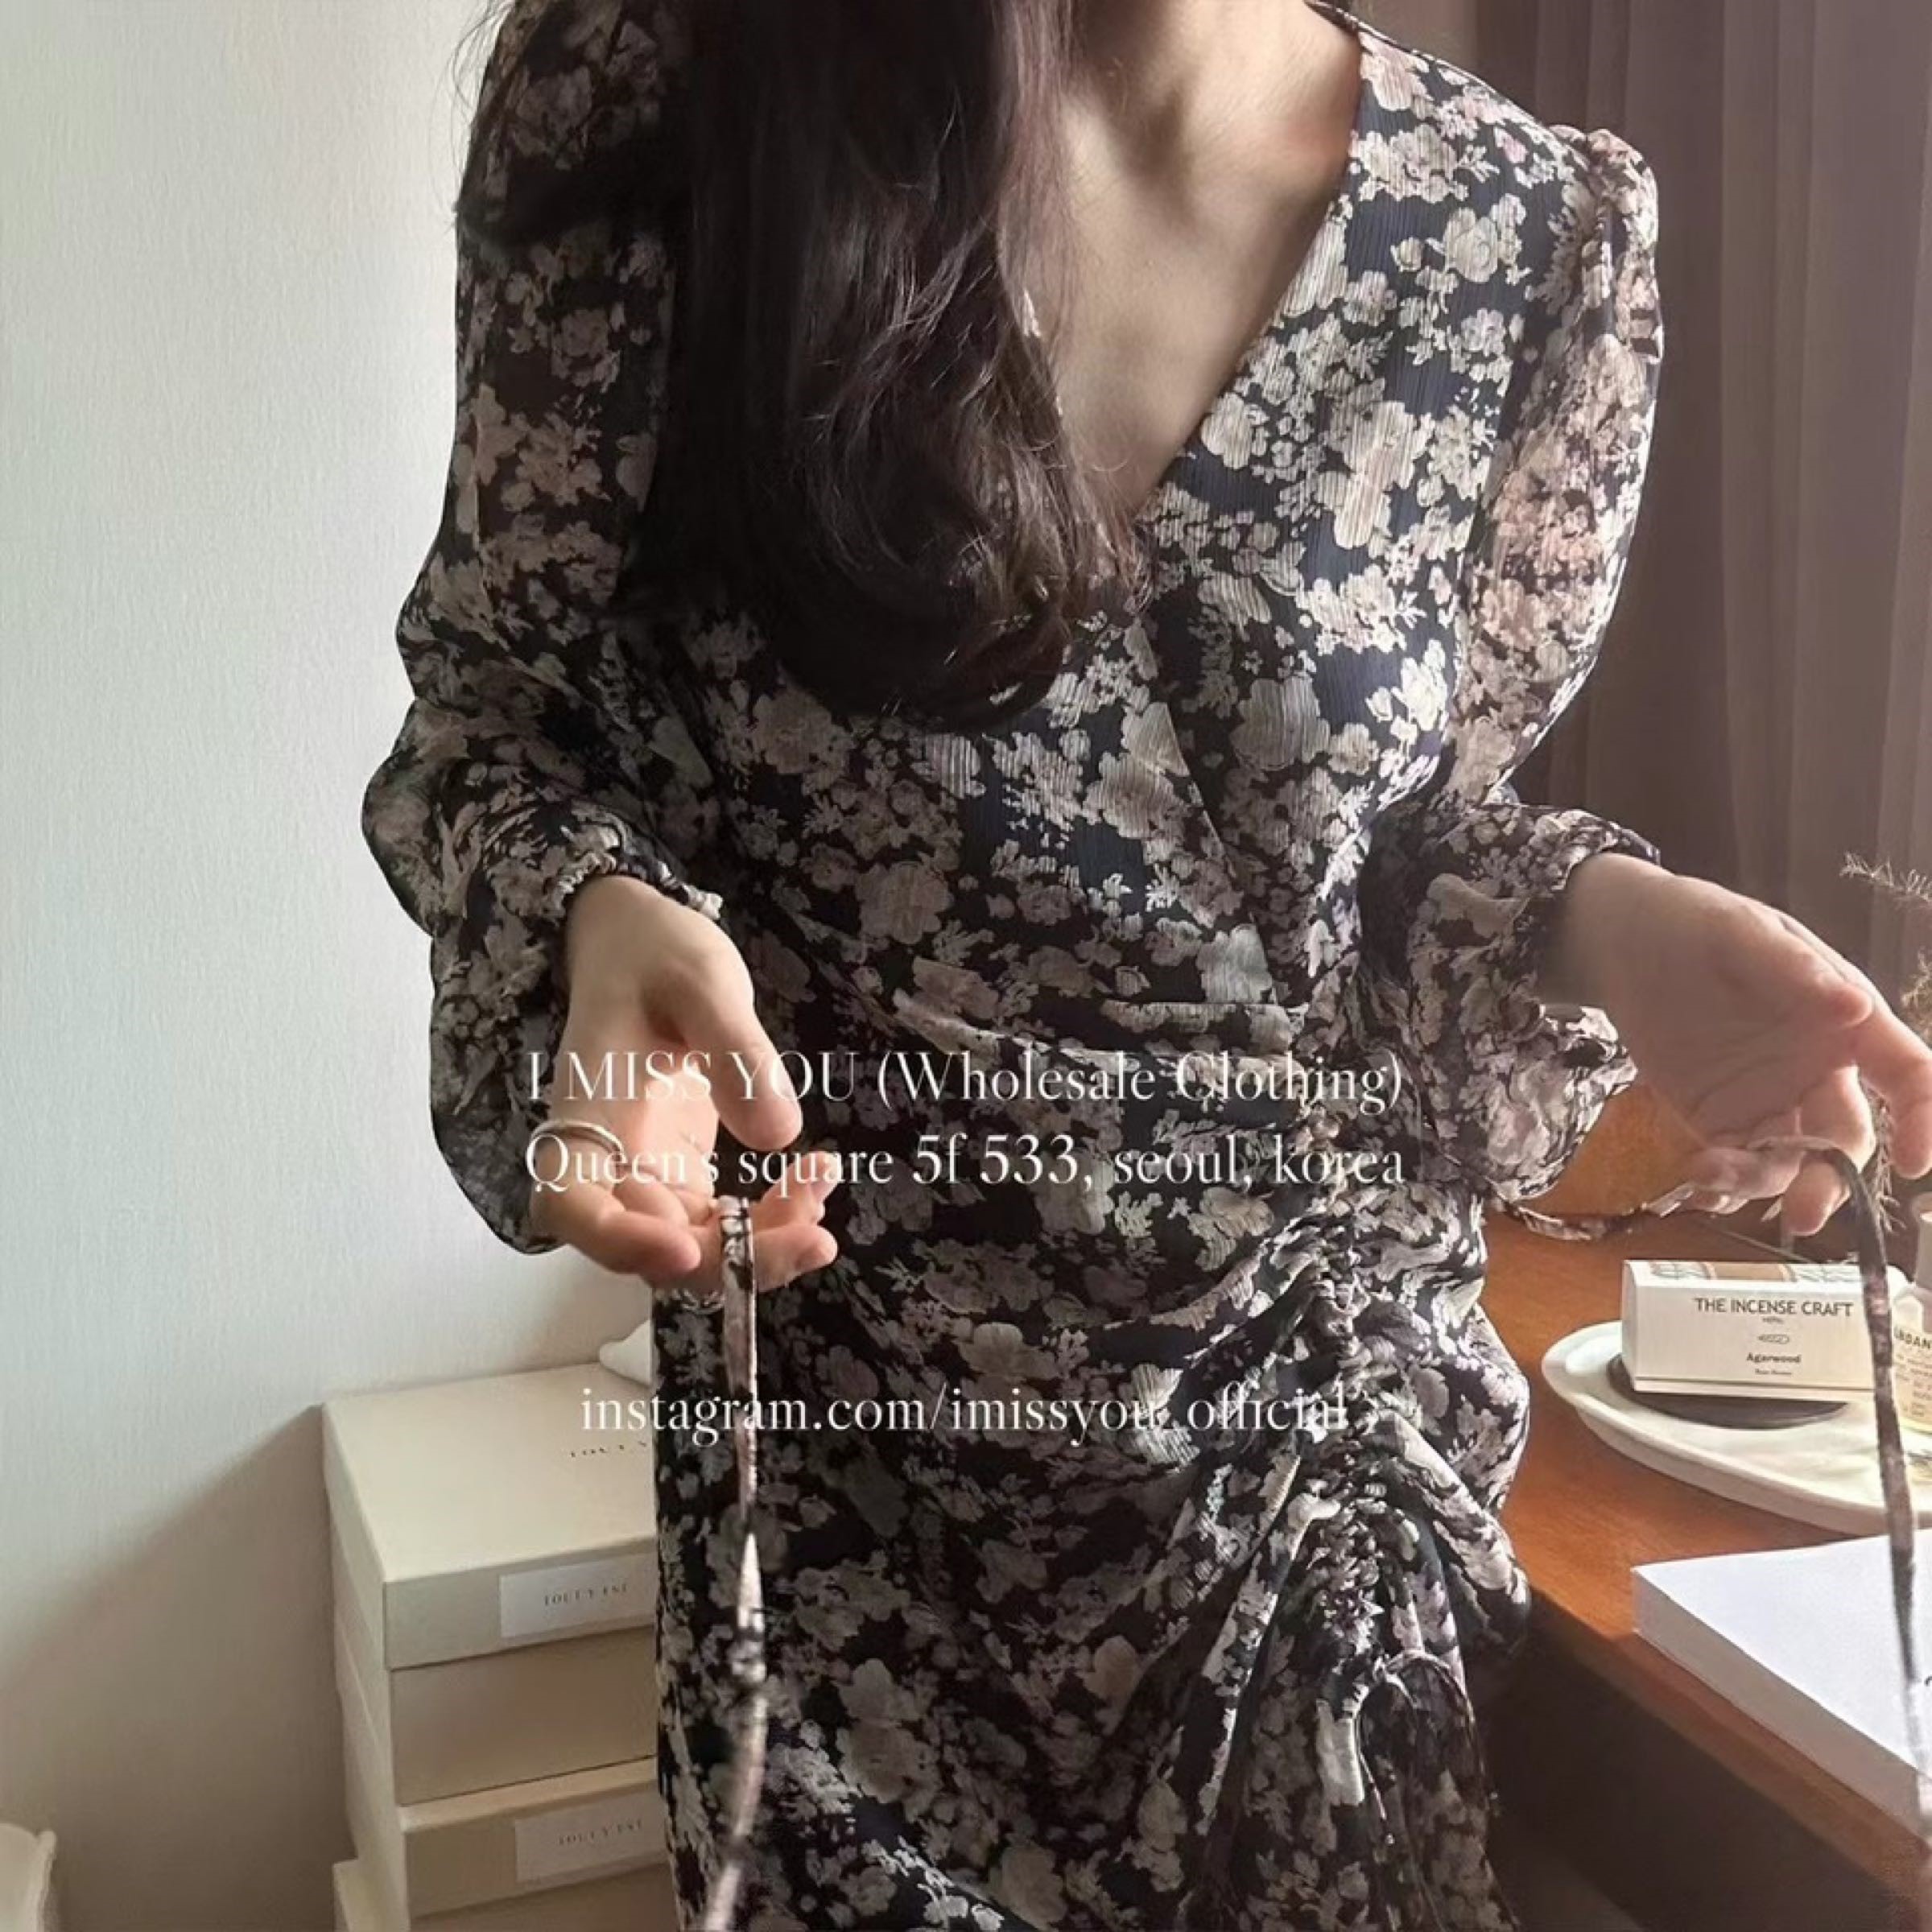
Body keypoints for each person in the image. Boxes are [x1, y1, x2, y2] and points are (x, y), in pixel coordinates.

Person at [361, 0, 1932, 1924]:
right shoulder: (670, 91)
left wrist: (1608, 923)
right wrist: (594, 913)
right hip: (856, 1495)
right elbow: (496, 721)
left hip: (1311, 1479)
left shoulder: (1533, 227)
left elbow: (1390, 850)